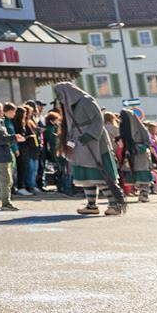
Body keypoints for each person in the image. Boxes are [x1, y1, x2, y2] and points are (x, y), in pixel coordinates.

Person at [53, 82, 125, 216]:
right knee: (86, 175)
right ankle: (91, 205)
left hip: (95, 144)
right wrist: (69, 144)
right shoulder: (70, 106)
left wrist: (90, 135)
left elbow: (98, 120)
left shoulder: (86, 101)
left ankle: (114, 204)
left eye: (59, 94)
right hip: (79, 144)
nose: (58, 98)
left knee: (100, 174)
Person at [118, 109, 154, 202]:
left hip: (141, 154)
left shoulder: (141, 128)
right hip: (130, 154)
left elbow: (148, 142)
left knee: (143, 173)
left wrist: (139, 147)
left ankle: (144, 193)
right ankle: (139, 191)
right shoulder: (123, 128)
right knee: (134, 173)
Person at [14, 104, 41, 196]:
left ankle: (27, 186)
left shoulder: (26, 123)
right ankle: (22, 186)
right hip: (22, 148)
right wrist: (28, 137)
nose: (26, 115)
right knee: (23, 168)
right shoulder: (18, 124)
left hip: (28, 148)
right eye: (25, 114)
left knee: (28, 168)